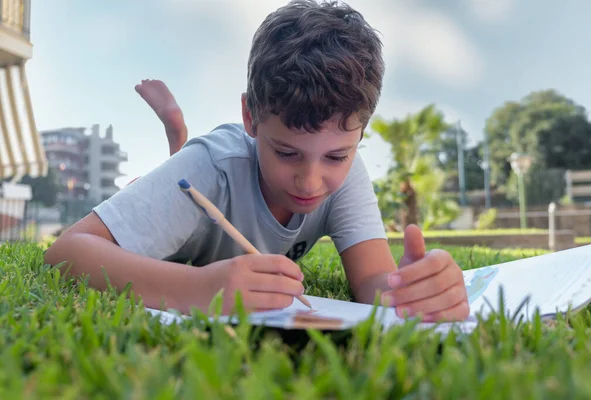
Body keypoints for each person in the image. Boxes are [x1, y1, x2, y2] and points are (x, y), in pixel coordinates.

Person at [45, 0, 469, 323]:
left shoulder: (349, 176)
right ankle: (173, 137)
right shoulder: (210, 167)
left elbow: (373, 283)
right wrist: (199, 288)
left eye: (337, 155)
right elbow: (66, 253)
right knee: (174, 174)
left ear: (361, 133)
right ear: (250, 117)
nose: (310, 181)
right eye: (286, 153)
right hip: (173, 219)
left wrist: (409, 291)